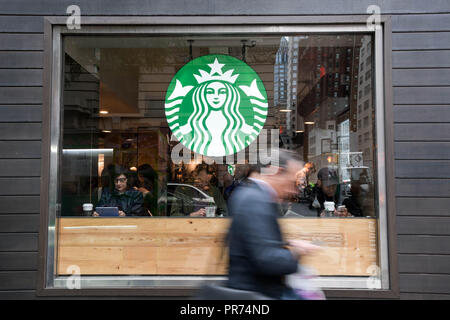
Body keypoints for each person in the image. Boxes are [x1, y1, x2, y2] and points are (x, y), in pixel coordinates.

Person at [226, 150, 320, 299]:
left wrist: (287, 243)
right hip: (256, 294)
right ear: (276, 172)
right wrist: (296, 252)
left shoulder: (247, 193)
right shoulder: (255, 199)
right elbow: (266, 259)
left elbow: (254, 241)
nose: (292, 190)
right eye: (290, 181)